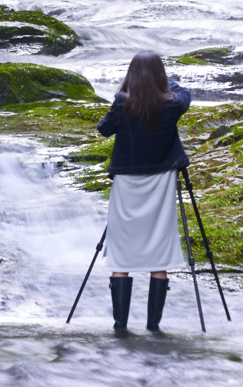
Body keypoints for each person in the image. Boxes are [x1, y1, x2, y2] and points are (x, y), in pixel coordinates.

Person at [97, 51, 190, 335]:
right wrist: (164, 84)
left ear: (131, 75)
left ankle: (120, 326)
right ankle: (153, 327)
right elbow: (186, 92)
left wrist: (127, 90)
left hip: (127, 182)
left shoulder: (123, 102)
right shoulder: (173, 103)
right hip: (161, 182)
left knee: (122, 249)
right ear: (160, 77)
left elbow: (104, 129)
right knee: (158, 249)